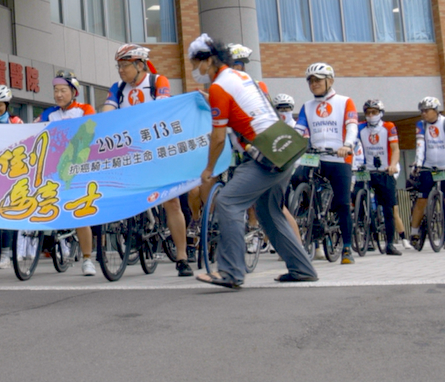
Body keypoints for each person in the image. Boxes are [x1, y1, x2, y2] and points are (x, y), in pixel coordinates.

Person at [188, 34, 317, 289]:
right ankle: (302, 268)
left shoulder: (219, 87)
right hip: (285, 147)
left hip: (265, 154)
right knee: (269, 212)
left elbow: (218, 137)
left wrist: (209, 169)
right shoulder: (241, 77)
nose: (195, 69)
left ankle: (231, 272)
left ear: (209, 60)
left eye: (195, 63)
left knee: (228, 202)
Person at [103, 44, 192, 278]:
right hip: (130, 152)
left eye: (125, 65)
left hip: (157, 149)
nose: (121, 70)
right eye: (118, 66)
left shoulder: (157, 81)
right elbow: (107, 111)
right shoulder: (118, 88)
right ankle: (131, 229)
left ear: (140, 64)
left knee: (171, 202)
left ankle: (182, 256)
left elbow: (162, 108)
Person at [293, 63, 358, 264]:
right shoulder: (307, 106)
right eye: (310, 81)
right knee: (296, 177)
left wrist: (347, 145)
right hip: (315, 157)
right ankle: (308, 210)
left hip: (339, 157)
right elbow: (298, 130)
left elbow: (352, 127)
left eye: (318, 80)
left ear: (330, 81)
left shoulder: (345, 102)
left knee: (342, 203)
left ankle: (346, 248)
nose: (314, 84)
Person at [37, 71, 97, 272]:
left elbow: (89, 132)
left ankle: (87, 259)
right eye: (56, 90)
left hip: (78, 168)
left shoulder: (85, 109)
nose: (59, 94)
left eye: (63, 90)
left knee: (80, 214)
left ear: (73, 92)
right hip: (53, 168)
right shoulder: (49, 113)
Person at [407, 96, 445, 250]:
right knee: (421, 200)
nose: (423, 114)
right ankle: (414, 233)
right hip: (428, 166)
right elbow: (420, 145)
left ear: (435, 110)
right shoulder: (421, 124)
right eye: (422, 111)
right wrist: (418, 163)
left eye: (426, 111)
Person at [357, 99, 402, 255]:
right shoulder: (360, 127)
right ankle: (365, 234)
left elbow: (395, 149)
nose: (371, 115)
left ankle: (390, 243)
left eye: (374, 112)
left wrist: (393, 165)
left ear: (381, 113)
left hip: (384, 171)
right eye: (368, 112)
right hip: (366, 171)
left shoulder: (388, 127)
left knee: (389, 208)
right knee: (357, 197)